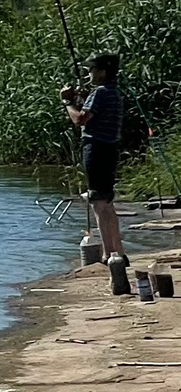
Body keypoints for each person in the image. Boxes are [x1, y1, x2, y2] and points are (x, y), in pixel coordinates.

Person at [62, 53, 126, 270]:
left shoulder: (99, 93)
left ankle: (108, 254)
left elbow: (80, 119)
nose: (89, 73)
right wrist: (82, 99)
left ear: (102, 72)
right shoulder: (114, 93)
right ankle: (119, 252)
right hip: (110, 149)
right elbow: (94, 114)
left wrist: (68, 102)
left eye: (92, 69)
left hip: (96, 149)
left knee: (97, 201)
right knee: (107, 200)